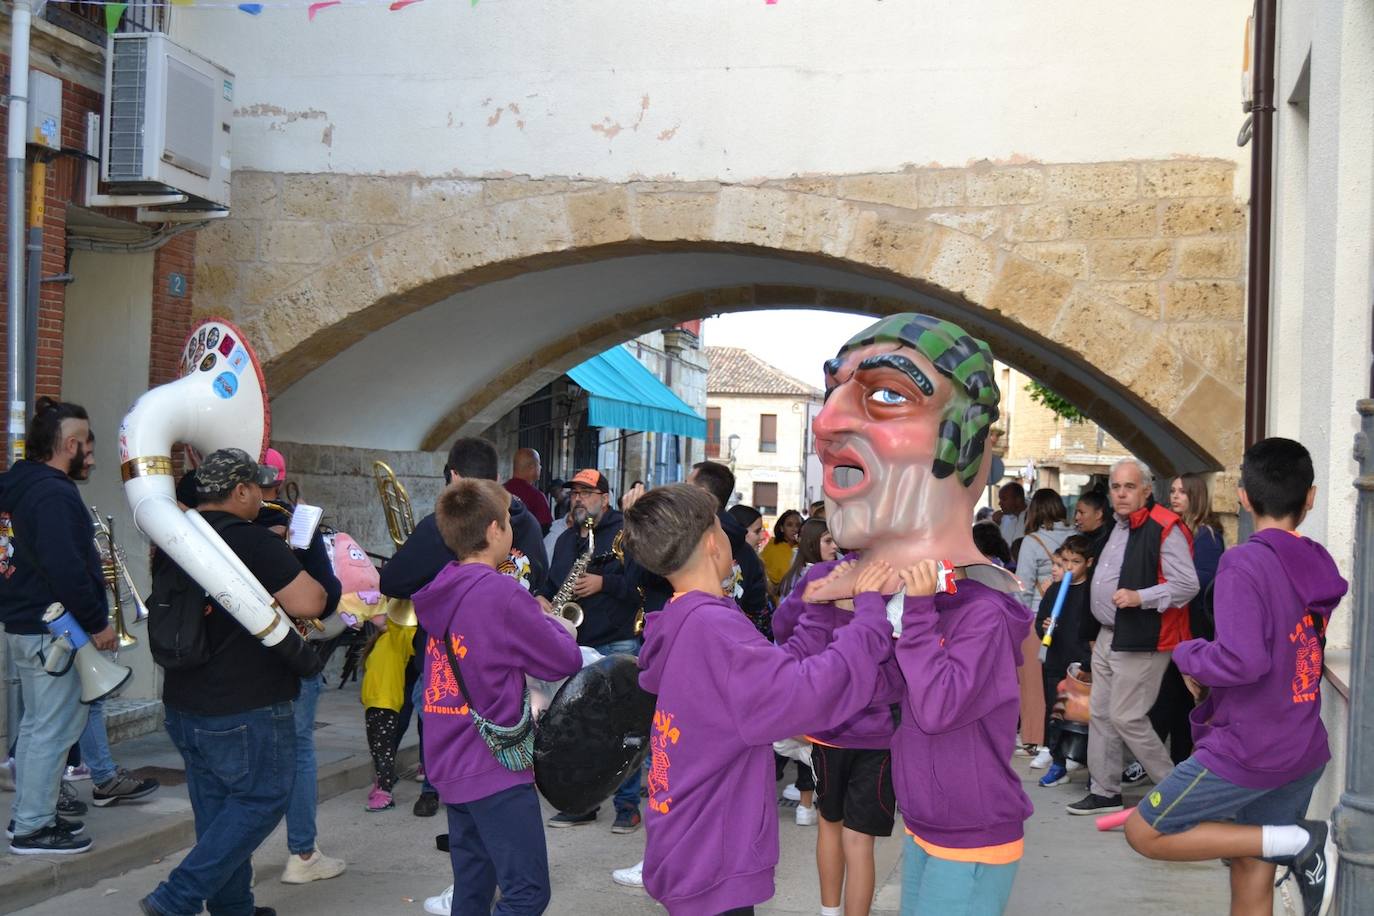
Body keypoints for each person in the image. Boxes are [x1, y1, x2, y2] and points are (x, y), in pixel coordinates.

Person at [810, 313, 1030, 914]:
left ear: (964, 442)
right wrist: (857, 611)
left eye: (886, 394)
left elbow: (936, 705)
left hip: (976, 836)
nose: (825, 423)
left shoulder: (984, 609)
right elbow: (879, 691)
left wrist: (920, 607)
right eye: (832, 391)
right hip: (930, 827)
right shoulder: (928, 601)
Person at [625, 484, 895, 914]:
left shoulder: (690, 616)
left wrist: (819, 607)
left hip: (689, 840)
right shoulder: (713, 627)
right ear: (714, 543)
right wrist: (868, 612)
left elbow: (776, 671)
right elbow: (807, 695)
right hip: (712, 854)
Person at [1124, 438, 1345, 916]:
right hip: (1301, 744)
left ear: (1243, 496)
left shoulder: (1243, 561)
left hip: (1250, 747)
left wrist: (1189, 653)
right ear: (1310, 497)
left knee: (1145, 830)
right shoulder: (1317, 560)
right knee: (1251, 864)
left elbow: (1243, 661)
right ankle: (1290, 841)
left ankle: (1302, 840)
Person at [141, 448, 329, 916]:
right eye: (258, 488)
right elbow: (310, 601)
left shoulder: (174, 538)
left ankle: (233, 907)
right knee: (265, 798)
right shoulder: (250, 539)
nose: (265, 497)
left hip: (185, 701)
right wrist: (301, 552)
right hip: (246, 701)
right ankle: (176, 897)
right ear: (240, 490)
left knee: (219, 813)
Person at [412, 478, 582, 916]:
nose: (511, 529)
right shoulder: (501, 591)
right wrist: (551, 624)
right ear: (492, 530)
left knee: (473, 887)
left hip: (449, 759)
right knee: (526, 893)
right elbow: (563, 659)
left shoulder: (442, 586)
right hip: (493, 766)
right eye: (508, 521)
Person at [379, 438, 548, 817]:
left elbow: (392, 582)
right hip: (512, 657)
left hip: (453, 658)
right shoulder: (528, 522)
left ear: (454, 476)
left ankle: (435, 789)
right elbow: (541, 580)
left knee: (437, 716)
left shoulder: (444, 526)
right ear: (499, 477)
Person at [1, 398, 115, 855]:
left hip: (26, 622)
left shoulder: (15, 485)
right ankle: (32, 828)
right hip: (56, 628)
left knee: (36, 727)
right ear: (69, 444)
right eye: (87, 443)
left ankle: (30, 817)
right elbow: (64, 566)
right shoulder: (53, 493)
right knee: (53, 728)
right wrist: (97, 622)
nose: (91, 452)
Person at [1067, 458, 1199, 816]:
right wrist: (1095, 630)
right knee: (1101, 714)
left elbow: (1188, 585)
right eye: (1116, 487)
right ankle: (1104, 790)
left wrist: (1141, 597)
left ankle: (1177, 793)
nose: (1121, 494)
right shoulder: (1119, 526)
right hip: (1111, 635)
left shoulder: (1165, 526)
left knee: (1126, 717)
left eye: (1129, 487)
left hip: (1145, 637)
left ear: (1146, 489)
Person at [772, 554, 901, 916]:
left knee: (837, 828)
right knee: (851, 835)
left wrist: (827, 598)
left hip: (850, 731)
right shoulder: (892, 571)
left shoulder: (841, 572)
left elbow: (783, 627)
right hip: (863, 733)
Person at [253, 447, 347, 883]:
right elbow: (328, 590)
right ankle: (302, 855)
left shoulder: (222, 524)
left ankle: (237, 862)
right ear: (282, 479)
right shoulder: (299, 523)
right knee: (299, 752)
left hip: (241, 656)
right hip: (292, 647)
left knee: (248, 759)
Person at [537, 469, 643, 833]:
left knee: (623, 727)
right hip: (575, 645)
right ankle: (581, 801)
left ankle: (627, 804)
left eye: (586, 492)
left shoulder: (625, 534)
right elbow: (552, 586)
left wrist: (604, 582)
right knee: (577, 726)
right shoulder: (567, 540)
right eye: (575, 493)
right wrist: (544, 600)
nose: (578, 498)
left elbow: (642, 587)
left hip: (617, 639)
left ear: (605, 497)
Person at [1014, 488, 1074, 760]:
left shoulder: (1031, 542)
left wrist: (1017, 623)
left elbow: (1022, 587)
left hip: (1038, 618)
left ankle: (1036, 738)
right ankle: (1066, 738)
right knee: (1064, 683)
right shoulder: (1077, 538)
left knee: (1033, 684)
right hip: (1070, 618)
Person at [1034, 537, 1095, 787]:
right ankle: (1058, 763)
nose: (1069, 567)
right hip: (1056, 661)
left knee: (1088, 718)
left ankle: (1095, 770)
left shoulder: (1093, 591)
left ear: (1088, 563)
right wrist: (1045, 627)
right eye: (1065, 561)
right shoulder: (1055, 590)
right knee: (1056, 713)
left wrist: (1089, 662)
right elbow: (1040, 623)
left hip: (1083, 664)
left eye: (1076, 562)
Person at [687, 461, 771, 636]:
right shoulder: (748, 554)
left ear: (701, 495)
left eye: (687, 487)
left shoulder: (683, 540)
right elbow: (759, 613)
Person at [503, 447, 554, 535]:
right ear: (532, 467)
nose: (541, 467)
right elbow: (546, 530)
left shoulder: (500, 491)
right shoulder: (536, 496)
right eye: (539, 464)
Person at [760, 509, 802, 601]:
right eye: (789, 525)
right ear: (782, 528)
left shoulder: (804, 548)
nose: (795, 529)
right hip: (776, 599)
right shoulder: (772, 547)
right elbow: (763, 572)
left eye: (798, 525)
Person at [1072, 489, 1111, 555]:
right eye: (1076, 512)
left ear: (1098, 514)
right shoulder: (1079, 537)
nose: (1077, 517)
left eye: (1081, 513)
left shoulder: (1109, 542)